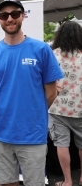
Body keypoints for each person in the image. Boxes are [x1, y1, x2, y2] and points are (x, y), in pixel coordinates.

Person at [0, 0, 64, 186]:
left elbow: (51, 93)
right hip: (1, 133)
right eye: (4, 15)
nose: (10, 19)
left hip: (32, 134)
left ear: (23, 16)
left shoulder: (41, 49)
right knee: (7, 183)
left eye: (15, 14)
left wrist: (33, 112)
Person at [49, 21, 82, 186]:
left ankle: (67, 181)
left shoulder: (53, 55)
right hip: (80, 108)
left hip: (56, 107)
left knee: (61, 144)